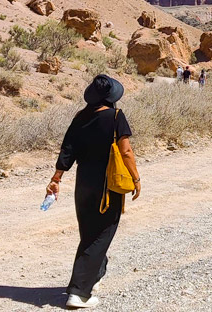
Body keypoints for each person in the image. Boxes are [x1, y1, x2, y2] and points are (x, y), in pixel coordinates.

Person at [47, 75, 141, 309]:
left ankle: (95, 276)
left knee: (90, 231)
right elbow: (126, 151)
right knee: (101, 234)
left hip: (84, 184)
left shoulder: (80, 117)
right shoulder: (116, 116)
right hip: (107, 185)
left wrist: (56, 178)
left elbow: (67, 150)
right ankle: (78, 292)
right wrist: (136, 178)